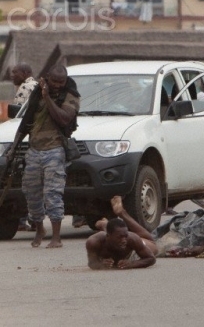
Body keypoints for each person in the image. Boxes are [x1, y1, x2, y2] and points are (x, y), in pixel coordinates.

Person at [7, 64, 80, 248]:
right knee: (31, 193)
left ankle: (56, 237)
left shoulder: (70, 94)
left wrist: (47, 98)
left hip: (55, 150)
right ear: (47, 77)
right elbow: (26, 121)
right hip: (34, 150)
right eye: (54, 81)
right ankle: (39, 228)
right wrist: (13, 147)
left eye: (61, 82)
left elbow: (63, 118)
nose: (57, 85)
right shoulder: (37, 92)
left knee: (52, 194)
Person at [86, 196, 158, 270]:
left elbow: (151, 258)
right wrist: (100, 264)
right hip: (109, 234)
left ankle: (122, 213)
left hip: (131, 253)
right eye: (119, 237)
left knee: (153, 245)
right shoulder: (94, 242)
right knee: (116, 231)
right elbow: (92, 263)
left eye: (125, 236)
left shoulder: (131, 238)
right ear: (108, 236)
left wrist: (132, 264)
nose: (124, 240)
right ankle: (106, 224)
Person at [10, 62, 38, 231]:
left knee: (20, 178)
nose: (12, 75)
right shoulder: (35, 85)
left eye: (15, 72)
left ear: (26, 72)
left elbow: (18, 118)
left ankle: (23, 219)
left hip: (25, 141)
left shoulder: (25, 88)